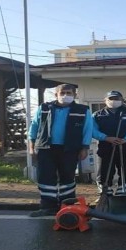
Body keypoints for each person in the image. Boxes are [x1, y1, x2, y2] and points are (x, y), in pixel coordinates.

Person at [28, 84, 93, 217]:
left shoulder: (82, 110)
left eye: (69, 93)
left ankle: (67, 206)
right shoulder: (44, 108)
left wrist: (85, 147)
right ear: (56, 95)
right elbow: (34, 126)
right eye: (62, 93)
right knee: (45, 177)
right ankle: (47, 207)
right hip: (46, 147)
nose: (65, 95)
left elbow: (88, 129)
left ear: (75, 95)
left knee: (67, 177)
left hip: (70, 148)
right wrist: (31, 145)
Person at [92, 90, 126, 200]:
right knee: (105, 171)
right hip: (106, 147)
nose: (114, 101)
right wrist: (106, 138)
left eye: (117, 99)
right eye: (111, 99)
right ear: (105, 100)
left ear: (122, 100)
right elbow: (91, 130)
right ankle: (105, 194)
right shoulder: (97, 115)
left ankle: (123, 193)